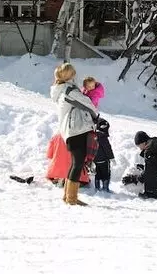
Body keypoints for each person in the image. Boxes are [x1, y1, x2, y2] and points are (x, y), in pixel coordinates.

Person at [50, 62, 99, 206]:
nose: (75, 75)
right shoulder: (69, 91)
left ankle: (68, 196)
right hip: (76, 131)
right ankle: (71, 198)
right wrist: (96, 116)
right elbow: (88, 103)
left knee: (75, 163)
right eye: (73, 73)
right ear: (69, 75)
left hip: (71, 132)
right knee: (77, 164)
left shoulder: (61, 90)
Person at [93, 117, 114, 192]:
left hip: (96, 160)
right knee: (106, 174)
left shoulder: (94, 136)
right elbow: (107, 148)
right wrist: (111, 157)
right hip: (104, 160)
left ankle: (97, 187)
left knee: (97, 174)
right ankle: (105, 188)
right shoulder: (103, 137)